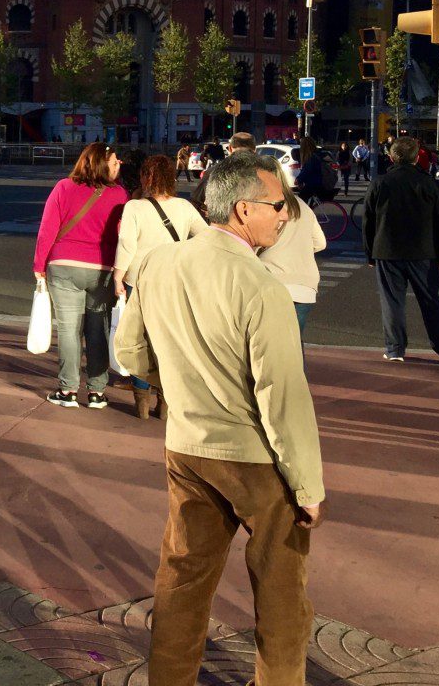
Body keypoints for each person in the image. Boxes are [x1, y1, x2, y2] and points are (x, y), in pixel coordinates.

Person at [115, 152, 326, 686]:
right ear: (241, 210)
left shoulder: (158, 265)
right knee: (280, 594)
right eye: (278, 205)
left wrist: (179, 387)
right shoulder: (261, 288)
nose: (285, 215)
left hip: (186, 446)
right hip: (254, 459)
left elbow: (130, 353)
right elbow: (283, 399)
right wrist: (307, 485)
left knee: (182, 580)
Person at [33, 143, 128, 408]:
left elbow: (48, 228)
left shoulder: (64, 187)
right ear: (101, 164)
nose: (118, 164)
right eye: (114, 161)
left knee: (69, 329)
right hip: (102, 268)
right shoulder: (120, 194)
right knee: (97, 329)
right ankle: (97, 391)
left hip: (64, 264)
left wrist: (39, 263)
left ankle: (68, 390)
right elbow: (124, 235)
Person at [112, 154, 207, 417]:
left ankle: (141, 399)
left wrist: (117, 276)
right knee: (167, 341)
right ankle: (164, 401)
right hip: (173, 281)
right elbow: (206, 237)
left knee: (138, 340)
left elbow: (127, 244)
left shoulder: (134, 207)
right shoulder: (185, 207)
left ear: (146, 177)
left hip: (138, 281)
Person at [364, 136, 439, 362]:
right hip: (424, 252)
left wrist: (370, 252)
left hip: (387, 250)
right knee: (431, 302)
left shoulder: (380, 183)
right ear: (416, 157)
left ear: (391, 156)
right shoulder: (429, 184)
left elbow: (368, 221)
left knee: (392, 301)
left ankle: (395, 349)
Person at [258, 163, 326, 337]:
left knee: (269, 342)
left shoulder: (265, 204)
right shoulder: (301, 204)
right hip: (305, 284)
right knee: (294, 343)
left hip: (273, 278)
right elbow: (320, 243)